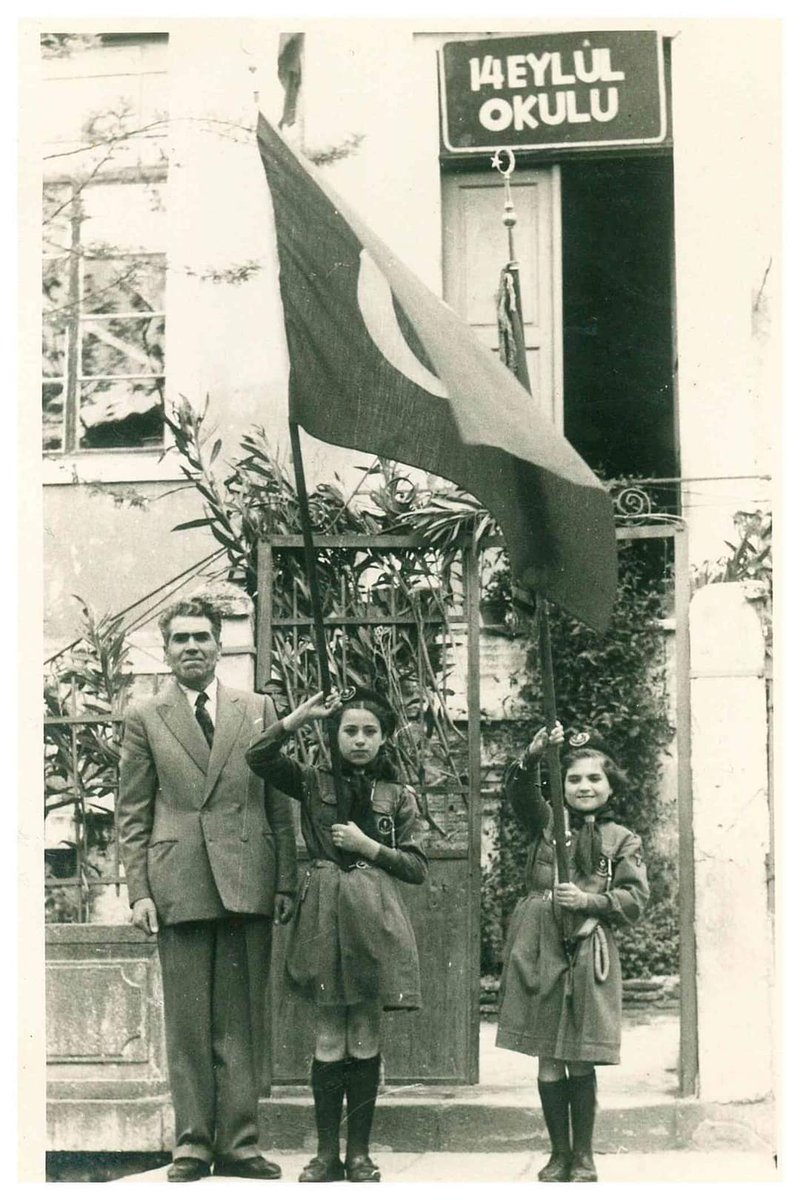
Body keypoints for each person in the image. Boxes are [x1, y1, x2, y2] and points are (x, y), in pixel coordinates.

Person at [117, 597, 298, 1182]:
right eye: (180, 639)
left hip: (248, 877)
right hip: (180, 884)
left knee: (241, 1018)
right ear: (166, 650)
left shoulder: (258, 707)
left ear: (220, 644)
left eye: (201, 637)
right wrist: (139, 890)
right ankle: (192, 1143)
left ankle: (241, 1144)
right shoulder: (145, 716)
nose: (192, 647)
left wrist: (285, 879)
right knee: (190, 1021)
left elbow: (279, 802)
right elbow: (133, 812)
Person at [246, 686, 428, 1184]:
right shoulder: (311, 781)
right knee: (329, 1033)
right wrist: (294, 720)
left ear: (385, 737)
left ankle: (360, 1155)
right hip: (324, 911)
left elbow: (415, 866)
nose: (360, 740)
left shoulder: (398, 795)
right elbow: (257, 756)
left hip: (374, 914)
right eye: (350, 730)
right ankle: (326, 1153)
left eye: (371, 731)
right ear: (335, 735)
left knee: (365, 1030)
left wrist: (370, 846)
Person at [496, 723, 649, 1183]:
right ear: (561, 786)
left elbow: (635, 898)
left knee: (579, 1053)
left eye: (594, 779)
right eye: (574, 779)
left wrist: (591, 902)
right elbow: (520, 792)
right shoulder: (548, 823)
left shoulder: (623, 839)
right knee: (547, 1051)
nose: (584, 787)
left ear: (610, 785)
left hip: (586, 942)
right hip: (539, 941)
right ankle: (557, 1153)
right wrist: (535, 752)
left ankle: (584, 1156)